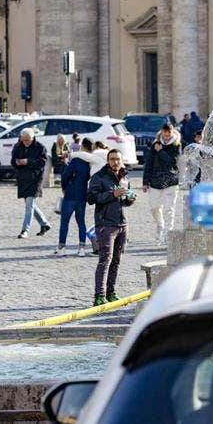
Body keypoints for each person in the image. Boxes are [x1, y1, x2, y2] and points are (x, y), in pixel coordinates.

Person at [87, 149, 136, 306]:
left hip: (122, 223)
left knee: (116, 260)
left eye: (118, 159)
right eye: (112, 159)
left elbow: (124, 202)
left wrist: (130, 198)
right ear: (108, 161)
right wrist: (111, 195)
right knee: (105, 260)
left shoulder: (124, 177)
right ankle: (99, 295)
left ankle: (111, 292)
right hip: (105, 224)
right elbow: (91, 198)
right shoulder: (99, 177)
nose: (115, 162)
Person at [143, 123, 181, 245]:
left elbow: (173, 163)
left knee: (169, 209)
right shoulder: (155, 144)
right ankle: (160, 225)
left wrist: (161, 152)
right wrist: (145, 182)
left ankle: (168, 234)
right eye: (164, 133)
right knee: (154, 207)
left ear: (172, 132)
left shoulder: (177, 145)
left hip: (171, 181)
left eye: (168, 133)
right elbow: (148, 164)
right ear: (161, 132)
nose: (166, 136)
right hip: (155, 181)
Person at [54, 138, 93, 256]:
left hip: (71, 193)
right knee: (81, 222)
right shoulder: (90, 161)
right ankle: (81, 248)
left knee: (64, 221)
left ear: (83, 146)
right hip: (82, 194)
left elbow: (65, 175)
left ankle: (62, 247)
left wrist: (64, 188)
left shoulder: (76, 160)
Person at [11, 128, 51, 238]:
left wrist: (28, 161)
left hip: (35, 179)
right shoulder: (18, 146)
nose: (25, 142)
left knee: (29, 205)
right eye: (24, 140)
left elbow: (43, 162)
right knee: (30, 204)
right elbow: (13, 160)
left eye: (27, 140)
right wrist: (17, 162)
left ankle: (25, 230)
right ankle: (44, 224)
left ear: (32, 138)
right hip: (23, 179)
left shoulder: (40, 147)